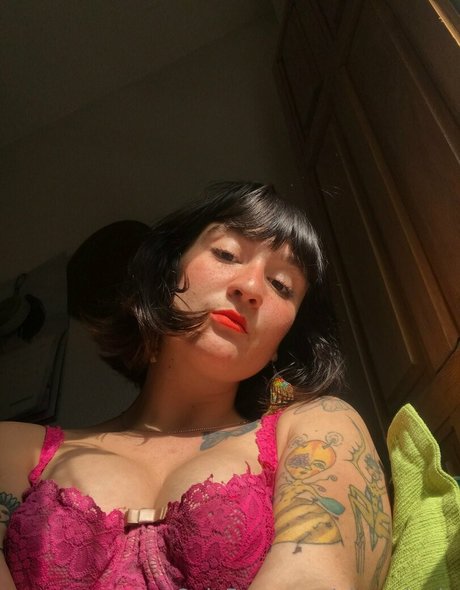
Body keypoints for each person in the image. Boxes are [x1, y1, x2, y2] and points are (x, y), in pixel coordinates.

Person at [0, 182, 392, 589]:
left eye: (281, 284)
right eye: (227, 254)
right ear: (166, 275)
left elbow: (314, 576)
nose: (250, 287)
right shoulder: (13, 448)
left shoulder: (316, 429)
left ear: (284, 340)